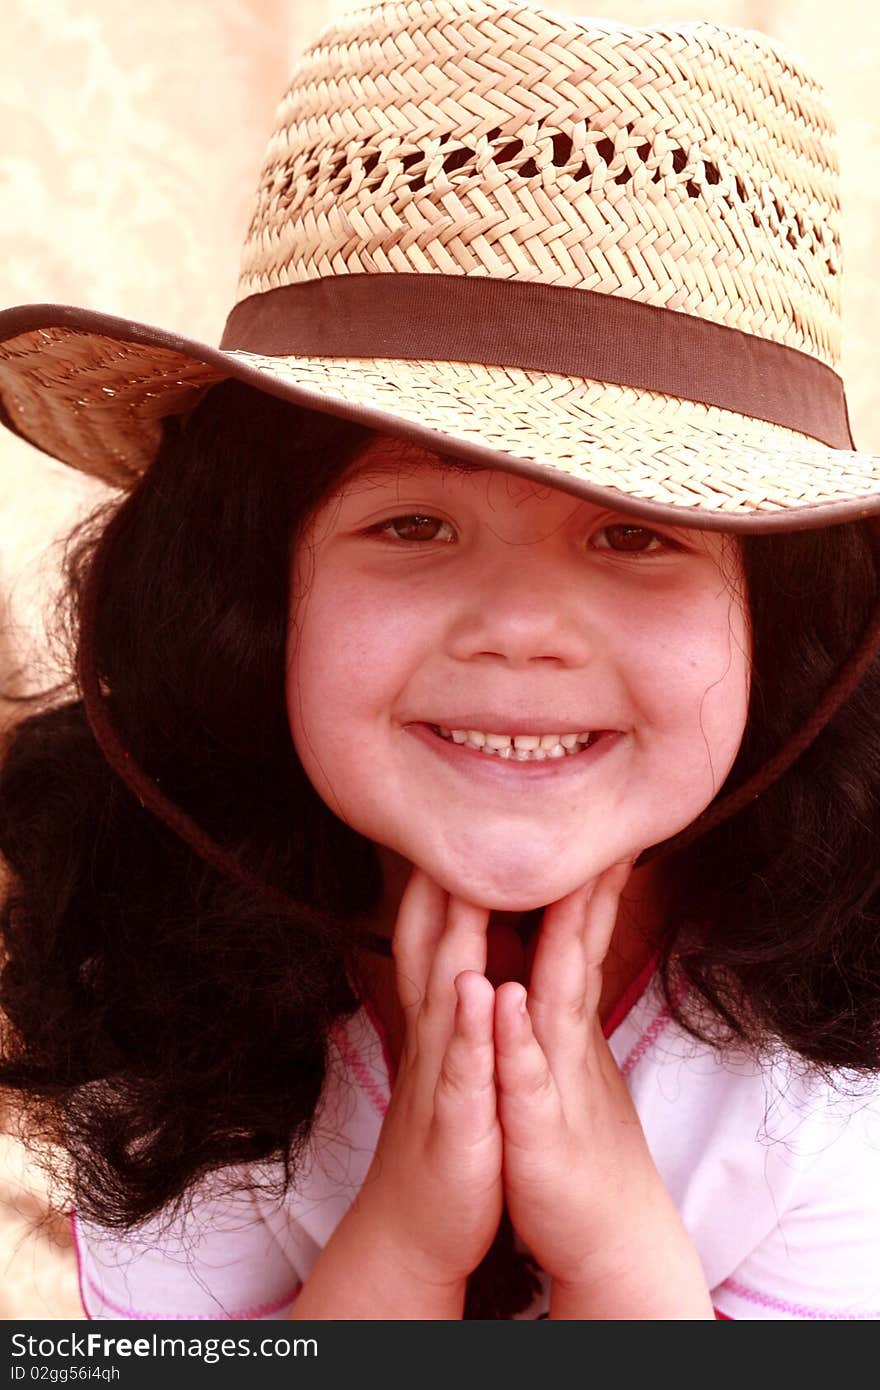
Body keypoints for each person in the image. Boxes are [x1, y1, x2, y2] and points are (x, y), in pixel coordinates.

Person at [0, 0, 879, 1321]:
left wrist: (622, 1264)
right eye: (413, 521)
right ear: (251, 589)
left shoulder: (832, 1048)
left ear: (781, 624)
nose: (521, 625)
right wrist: (401, 1247)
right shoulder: (146, 960)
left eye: (637, 531)